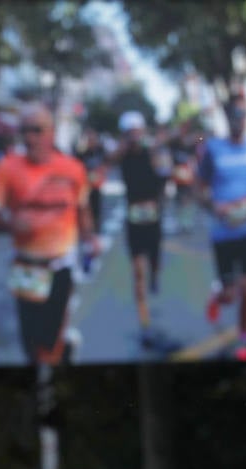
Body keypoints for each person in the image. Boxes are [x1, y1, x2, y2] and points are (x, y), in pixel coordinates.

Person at [0, 101, 99, 365]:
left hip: (60, 265)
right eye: (24, 131)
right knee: (31, 344)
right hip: (26, 267)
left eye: (37, 130)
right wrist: (10, 224)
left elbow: (82, 209)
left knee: (50, 344)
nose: (30, 138)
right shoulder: (7, 169)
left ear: (52, 131)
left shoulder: (73, 169)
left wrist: (90, 238)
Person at [198, 93, 246, 359]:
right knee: (231, 294)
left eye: (244, 114)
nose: (239, 120)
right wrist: (213, 205)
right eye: (235, 114)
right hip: (223, 233)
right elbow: (199, 188)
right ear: (228, 117)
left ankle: (244, 340)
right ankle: (218, 295)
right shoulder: (213, 148)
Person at [107, 110, 175, 353]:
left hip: (153, 219)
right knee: (137, 273)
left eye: (137, 131)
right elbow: (109, 160)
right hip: (134, 220)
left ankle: (155, 276)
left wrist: (155, 150)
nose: (134, 137)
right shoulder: (123, 155)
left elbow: (166, 173)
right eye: (129, 133)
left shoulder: (154, 152)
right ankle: (145, 324)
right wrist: (124, 146)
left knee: (154, 266)